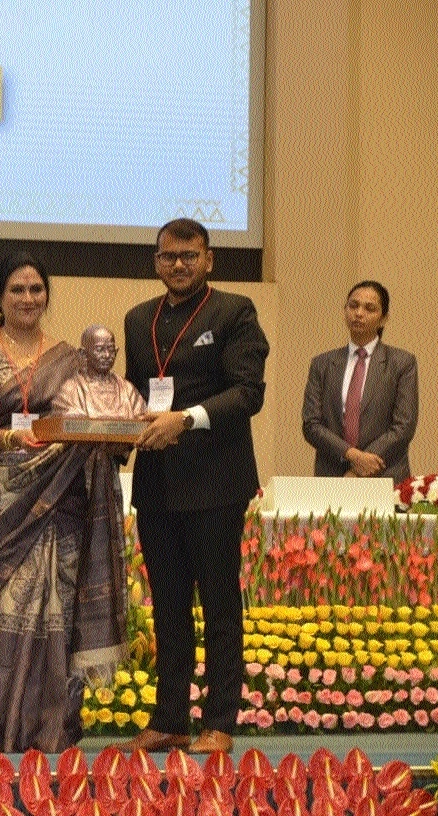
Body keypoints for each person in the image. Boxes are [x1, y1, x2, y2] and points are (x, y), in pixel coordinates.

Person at [0, 254, 128, 753]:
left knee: (58, 608)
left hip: (58, 498)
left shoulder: (72, 358)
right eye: (17, 289)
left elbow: (96, 414)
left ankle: (50, 728)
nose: (28, 298)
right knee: (2, 610)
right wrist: (12, 439)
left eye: (36, 289)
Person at [119, 218, 269, 755]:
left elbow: (248, 393)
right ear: (156, 261)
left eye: (189, 255)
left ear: (208, 259)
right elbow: (135, 394)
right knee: (168, 607)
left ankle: (220, 722)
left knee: (220, 604)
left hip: (216, 482)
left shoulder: (234, 311)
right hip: (156, 483)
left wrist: (184, 419)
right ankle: (169, 720)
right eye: (168, 256)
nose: (178, 264)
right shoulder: (138, 318)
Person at [301, 280, 417, 482]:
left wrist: (360, 467)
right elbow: (311, 424)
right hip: (333, 475)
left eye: (369, 308)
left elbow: (403, 426)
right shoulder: (322, 363)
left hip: (384, 474)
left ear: (384, 319)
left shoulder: (401, 363)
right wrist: (352, 455)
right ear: (345, 310)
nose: (359, 313)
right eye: (353, 306)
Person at [52, 325, 147, 419]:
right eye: (99, 350)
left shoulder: (128, 390)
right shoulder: (70, 390)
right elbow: (65, 418)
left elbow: (142, 418)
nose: (107, 355)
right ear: (83, 354)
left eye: (111, 350)